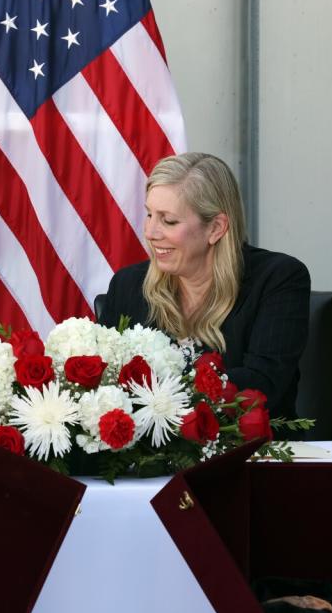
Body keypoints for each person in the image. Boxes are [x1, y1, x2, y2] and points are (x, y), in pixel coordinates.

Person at [99, 152, 310, 422]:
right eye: (150, 214)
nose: (151, 232)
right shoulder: (128, 284)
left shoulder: (278, 279)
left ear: (216, 228)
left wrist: (158, 398)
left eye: (169, 220)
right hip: (147, 459)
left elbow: (262, 385)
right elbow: (103, 381)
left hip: (252, 456)